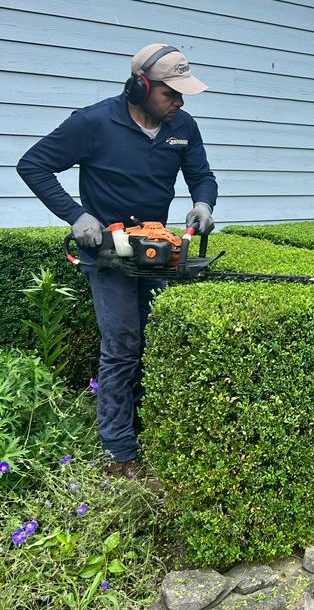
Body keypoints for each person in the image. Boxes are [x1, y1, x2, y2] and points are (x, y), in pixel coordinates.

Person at [17, 43, 218, 478]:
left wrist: (203, 203)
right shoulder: (92, 122)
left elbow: (201, 175)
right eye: (171, 92)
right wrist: (76, 215)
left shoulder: (182, 126)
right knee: (122, 347)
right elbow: (32, 165)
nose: (179, 102)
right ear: (140, 86)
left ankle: (153, 429)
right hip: (107, 253)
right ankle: (119, 451)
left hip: (155, 249)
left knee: (156, 342)